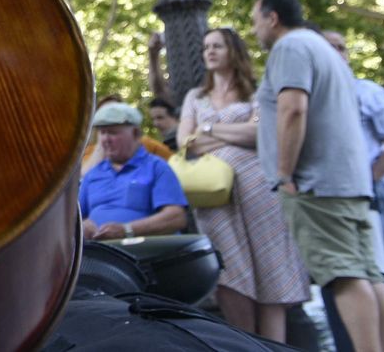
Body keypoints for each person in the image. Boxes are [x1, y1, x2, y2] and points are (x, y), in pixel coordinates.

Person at [254, 0, 384, 352]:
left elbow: (293, 109)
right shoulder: (323, 48)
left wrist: (285, 173)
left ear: (272, 18)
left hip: (316, 184)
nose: (255, 30)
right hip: (351, 181)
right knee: (371, 275)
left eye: (255, 21)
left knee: (345, 276)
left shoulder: (289, 48)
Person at [177, 26, 309, 341]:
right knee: (229, 269)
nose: (209, 51)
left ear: (233, 51)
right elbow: (185, 142)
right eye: (206, 46)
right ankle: (245, 344)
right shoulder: (195, 96)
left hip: (258, 186)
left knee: (271, 264)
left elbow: (261, 134)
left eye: (217, 46)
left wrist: (208, 129)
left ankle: (275, 345)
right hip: (214, 193)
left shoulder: (257, 91)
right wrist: (234, 132)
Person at [326, 30, 384, 351]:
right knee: (342, 278)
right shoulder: (311, 94)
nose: (337, 52)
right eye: (329, 47)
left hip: (370, 193)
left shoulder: (366, 91)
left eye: (341, 47)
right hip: (326, 199)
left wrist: (371, 178)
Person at [79, 102, 188, 240]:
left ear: (135, 133)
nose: (105, 139)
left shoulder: (156, 167)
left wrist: (127, 230)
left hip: (143, 252)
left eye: (113, 132)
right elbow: (71, 218)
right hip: (99, 253)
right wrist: (82, 226)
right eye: (102, 132)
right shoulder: (93, 174)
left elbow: (177, 217)